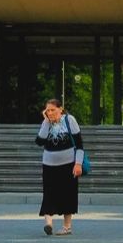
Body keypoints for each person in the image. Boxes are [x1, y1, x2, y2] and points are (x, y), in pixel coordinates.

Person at [35, 97, 85, 236]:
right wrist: (46, 121)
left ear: (60, 109)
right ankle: (48, 224)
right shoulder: (46, 123)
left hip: (68, 164)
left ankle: (67, 226)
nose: (50, 113)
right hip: (49, 164)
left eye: (53, 110)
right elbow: (39, 141)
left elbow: (79, 145)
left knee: (67, 194)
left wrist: (78, 164)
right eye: (47, 110)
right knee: (49, 192)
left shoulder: (70, 120)